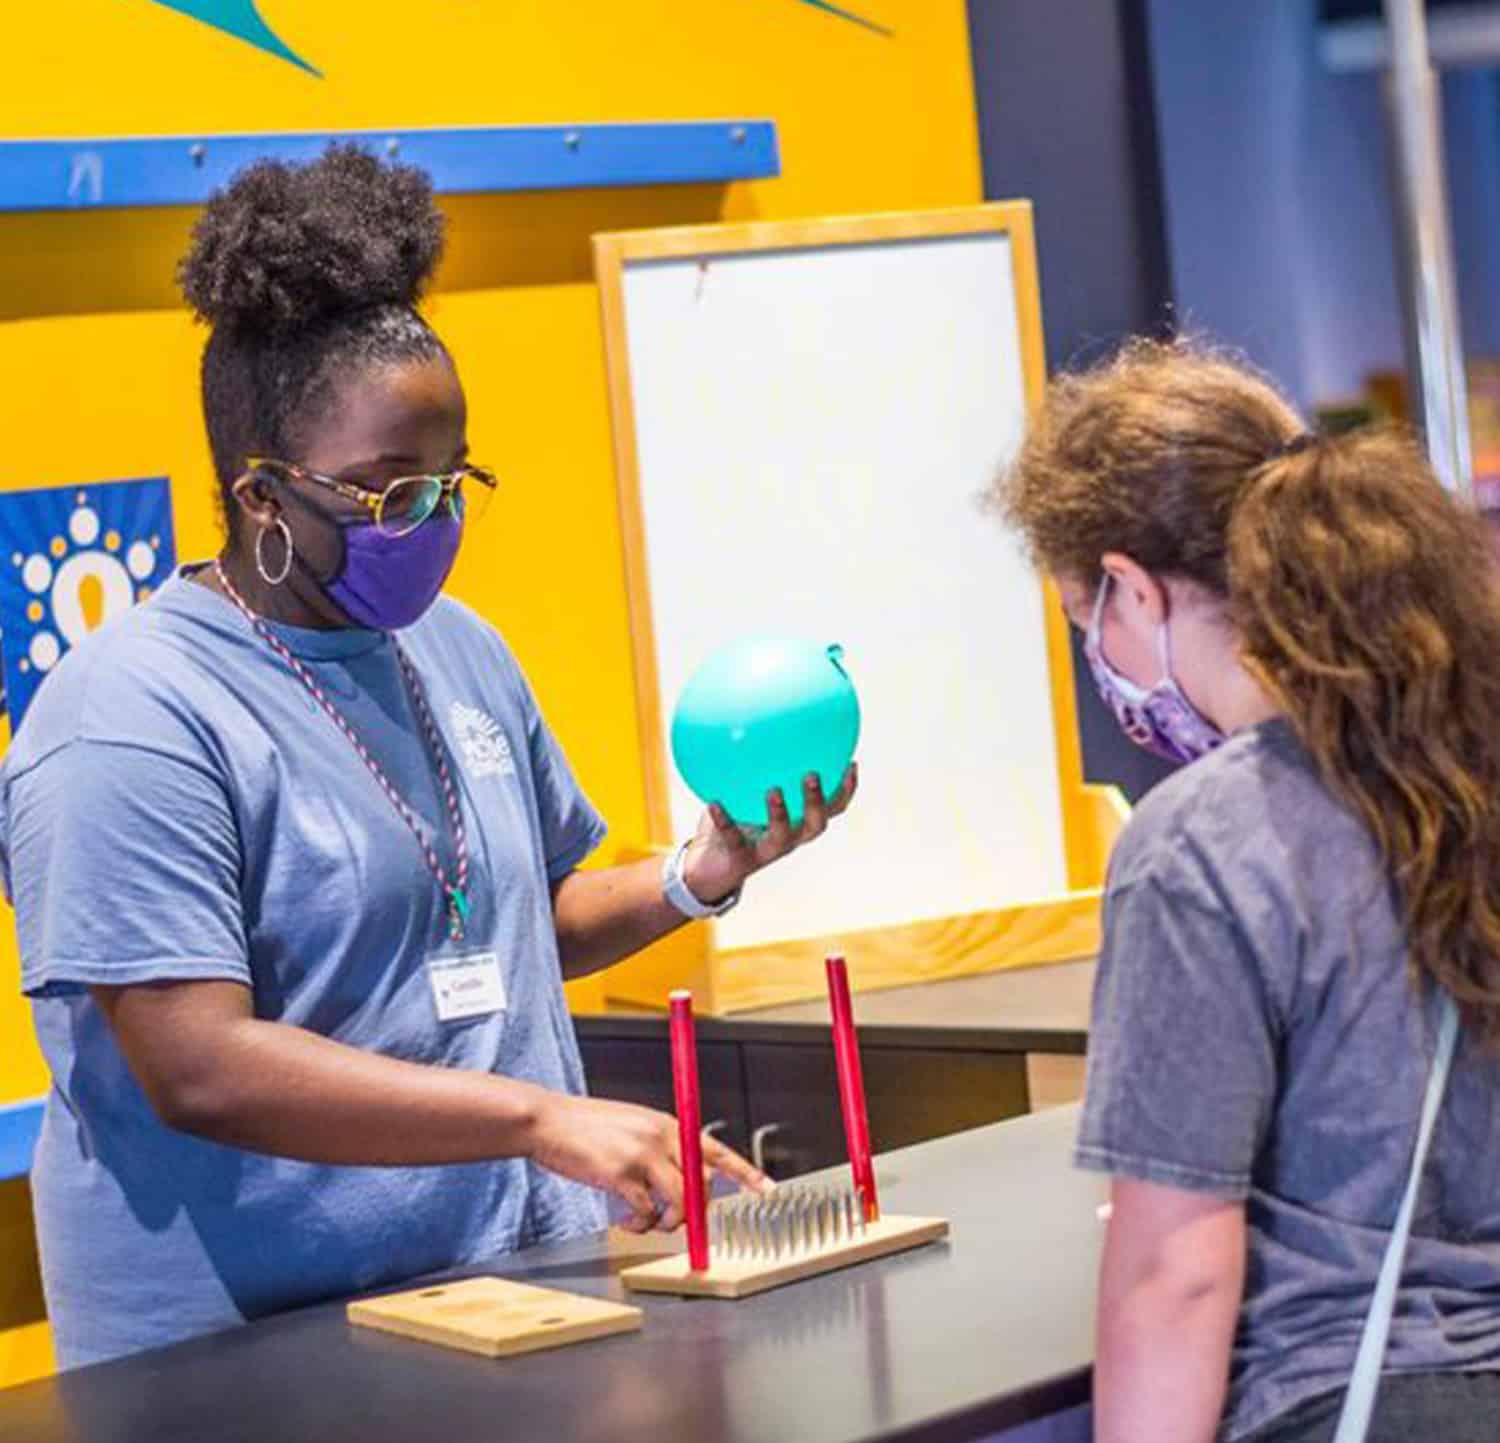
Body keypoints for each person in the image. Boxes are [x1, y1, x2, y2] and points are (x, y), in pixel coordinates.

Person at [0, 146, 856, 1369]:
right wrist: (540, 1120)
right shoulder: (129, 717)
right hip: (244, 1364)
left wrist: (698, 874)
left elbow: (516, 922)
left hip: (501, 1304)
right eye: (387, 493)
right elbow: (199, 1065)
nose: (430, 524)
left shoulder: (455, 649)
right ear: (260, 496)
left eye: (452, 483)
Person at [994, 338, 1500, 1443]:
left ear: (1130, 584)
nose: (1103, 656)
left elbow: (1175, 1270)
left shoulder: (1201, 847)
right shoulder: (1474, 761)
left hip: (1355, 1401)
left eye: (1092, 622)